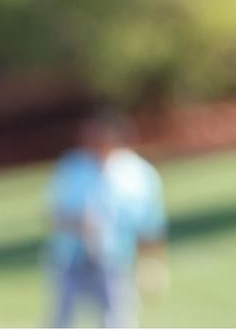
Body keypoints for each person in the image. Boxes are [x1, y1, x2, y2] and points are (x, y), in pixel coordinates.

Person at [45, 113, 168, 328]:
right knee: (61, 320)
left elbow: (149, 225)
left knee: (117, 319)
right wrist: (78, 223)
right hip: (71, 260)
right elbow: (52, 215)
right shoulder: (72, 167)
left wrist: (152, 264)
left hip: (116, 260)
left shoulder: (138, 173)